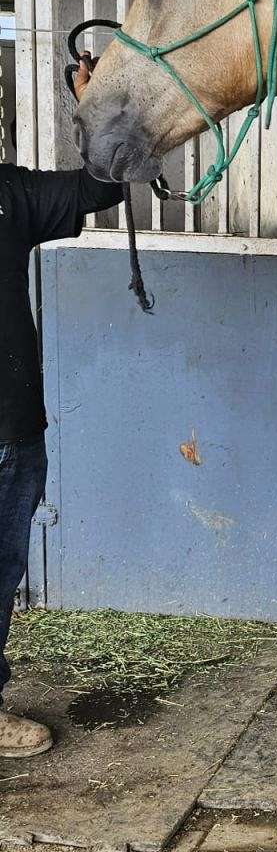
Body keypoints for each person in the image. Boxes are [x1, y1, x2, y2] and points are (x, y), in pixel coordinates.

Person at [0, 52, 121, 757]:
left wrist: (97, 100)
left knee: (0, 580)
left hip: (14, 433)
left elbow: (100, 187)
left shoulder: (9, 195)